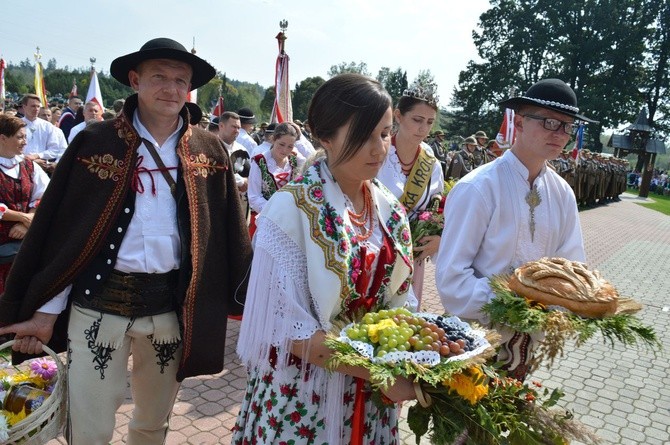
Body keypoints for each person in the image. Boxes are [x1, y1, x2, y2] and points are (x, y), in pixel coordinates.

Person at [0, 37, 252, 444]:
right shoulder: (94, 143)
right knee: (90, 427)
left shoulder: (210, 150)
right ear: (135, 80)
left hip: (169, 312)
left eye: (180, 80)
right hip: (98, 308)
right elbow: (62, 235)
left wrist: (248, 301)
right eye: (159, 78)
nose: (171, 89)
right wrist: (44, 311)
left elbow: (227, 235)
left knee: (152, 424)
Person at [232, 73, 416, 444]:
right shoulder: (288, 212)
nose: (379, 149)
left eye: (384, 133)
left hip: (371, 397)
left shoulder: (389, 211)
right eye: (363, 135)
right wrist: (379, 373)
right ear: (325, 137)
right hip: (305, 396)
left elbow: (401, 299)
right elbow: (289, 331)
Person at [434, 78, 594, 381]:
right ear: (519, 122)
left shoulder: (562, 193)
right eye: (550, 122)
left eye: (567, 126)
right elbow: (452, 278)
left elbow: (571, 267)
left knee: (509, 421)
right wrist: (517, 301)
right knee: (465, 426)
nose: (560, 134)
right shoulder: (478, 188)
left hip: (527, 344)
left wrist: (569, 301)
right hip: (472, 341)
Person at [376, 81, 444, 305]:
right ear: (398, 116)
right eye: (417, 120)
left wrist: (438, 239)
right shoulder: (378, 152)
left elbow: (437, 208)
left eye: (430, 122)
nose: (423, 129)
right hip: (375, 253)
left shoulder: (431, 162)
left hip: (412, 257)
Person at [0, 115, 50, 292]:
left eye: (25, 137)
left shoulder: (29, 166)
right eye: (19, 137)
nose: (24, 142)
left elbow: (44, 195)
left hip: (24, 246)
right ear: (3, 138)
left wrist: (27, 223)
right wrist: (23, 217)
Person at [247, 122, 305, 236]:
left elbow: (313, 163)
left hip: (291, 222)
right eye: (281, 144)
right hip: (267, 219)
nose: (285, 150)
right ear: (273, 139)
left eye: (290, 146)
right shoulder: (259, 161)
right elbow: (254, 197)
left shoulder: (295, 160)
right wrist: (276, 211)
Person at [20, 94, 67, 173]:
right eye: (33, 106)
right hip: (20, 167)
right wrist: (29, 160)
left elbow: (54, 149)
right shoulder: (16, 124)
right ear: (24, 107)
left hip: (42, 168)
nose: (36, 109)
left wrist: (37, 156)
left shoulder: (47, 126)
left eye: (38, 106)